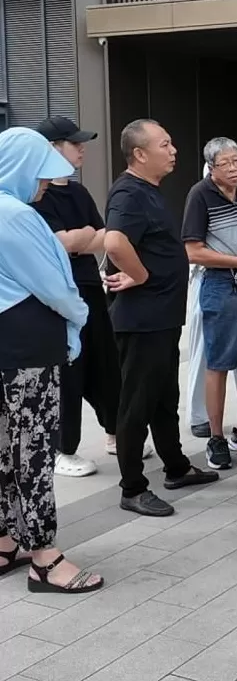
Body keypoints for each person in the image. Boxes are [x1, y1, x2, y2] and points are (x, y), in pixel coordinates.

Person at [0, 128, 103, 594]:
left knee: (7, 450)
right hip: (29, 349)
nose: (44, 184)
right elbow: (55, 286)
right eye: (40, 175)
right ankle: (45, 557)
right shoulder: (16, 215)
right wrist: (79, 315)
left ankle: (7, 540)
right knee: (34, 452)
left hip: (7, 346)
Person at [104, 119, 219, 517]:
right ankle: (132, 488)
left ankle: (176, 466)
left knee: (164, 398)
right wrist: (139, 275)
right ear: (139, 154)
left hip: (162, 318)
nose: (173, 151)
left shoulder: (149, 191)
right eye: (164, 144)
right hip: (142, 320)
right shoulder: (128, 193)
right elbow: (114, 241)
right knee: (136, 405)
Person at [34, 115, 142, 478]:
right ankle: (64, 450)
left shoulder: (78, 192)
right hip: (58, 293)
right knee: (71, 369)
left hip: (92, 287)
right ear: (52, 148)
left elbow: (104, 236)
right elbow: (60, 243)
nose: (82, 149)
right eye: (74, 143)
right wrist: (80, 239)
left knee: (106, 363)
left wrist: (79, 239)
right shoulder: (38, 194)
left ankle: (115, 433)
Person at [182, 137, 237, 470]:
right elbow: (193, 251)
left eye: (236, 160)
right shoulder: (200, 194)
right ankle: (216, 437)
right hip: (221, 282)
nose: (233, 168)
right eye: (225, 163)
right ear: (211, 168)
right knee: (219, 362)